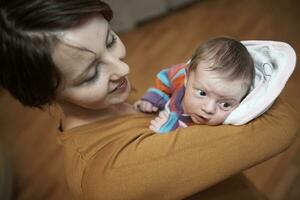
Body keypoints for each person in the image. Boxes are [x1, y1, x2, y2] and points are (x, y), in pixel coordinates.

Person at [0, 0, 299, 199]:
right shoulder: (111, 173)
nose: (123, 68)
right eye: (91, 74)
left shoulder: (116, 103)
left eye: (110, 40)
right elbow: (280, 123)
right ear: (44, 94)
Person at [134, 37, 255, 133]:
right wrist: (156, 98)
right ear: (187, 77)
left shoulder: (211, 131)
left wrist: (169, 130)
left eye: (225, 104)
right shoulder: (181, 75)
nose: (208, 109)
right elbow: (166, 76)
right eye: (202, 93)